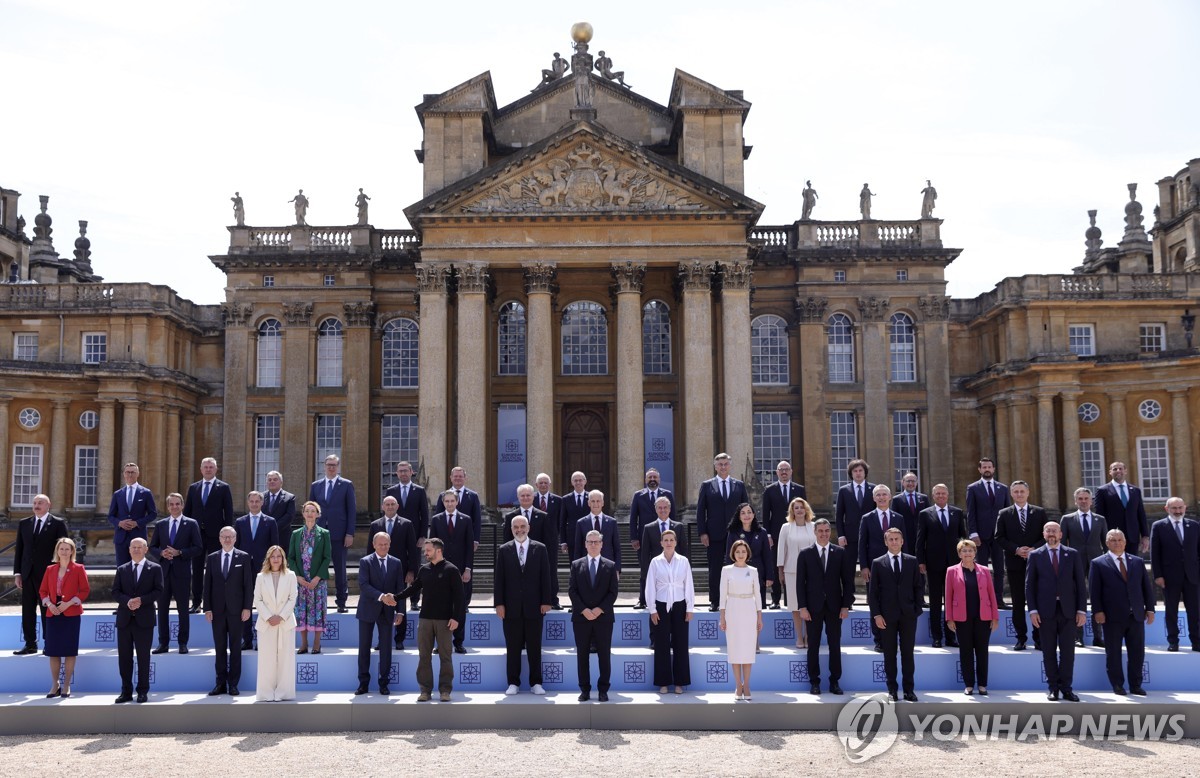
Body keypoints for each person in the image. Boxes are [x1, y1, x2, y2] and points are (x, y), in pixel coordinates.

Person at [397, 538, 464, 702]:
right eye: (424, 551)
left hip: (445, 621)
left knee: (445, 657)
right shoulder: (424, 569)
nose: (425, 553)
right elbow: (414, 588)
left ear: (438, 550)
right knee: (424, 656)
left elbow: (460, 598)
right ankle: (425, 690)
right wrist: (395, 597)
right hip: (425, 619)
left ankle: (445, 690)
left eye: (427, 550)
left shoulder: (452, 570)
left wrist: (456, 618)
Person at [1026, 522, 1086, 702]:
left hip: (1068, 610)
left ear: (1061, 534)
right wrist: (1033, 610)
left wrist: (1082, 610)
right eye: (1048, 531)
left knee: (1068, 652)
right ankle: (1053, 688)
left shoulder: (1072, 554)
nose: (1051, 534)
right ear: (1044, 534)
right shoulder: (1035, 555)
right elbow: (1030, 586)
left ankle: (1067, 688)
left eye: (1055, 531)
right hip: (1045, 611)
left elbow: (1080, 585)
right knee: (1048, 652)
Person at [1090, 529, 1155, 696]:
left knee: (1137, 652)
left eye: (1120, 540)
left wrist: (1150, 609)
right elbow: (1094, 591)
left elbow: (1146, 588)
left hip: (1136, 615)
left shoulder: (1137, 561)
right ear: (1107, 543)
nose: (1117, 543)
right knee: (1113, 653)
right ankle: (1117, 685)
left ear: (1125, 542)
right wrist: (1098, 611)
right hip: (1112, 617)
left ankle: (1136, 685)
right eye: (1113, 540)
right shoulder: (1098, 563)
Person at [494, 514, 553, 695]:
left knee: (535, 647)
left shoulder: (540, 548)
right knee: (513, 647)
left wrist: (546, 601)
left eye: (522, 526)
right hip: (511, 608)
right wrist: (499, 604)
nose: (519, 530)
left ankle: (536, 683)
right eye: (515, 527)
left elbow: (546, 576)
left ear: (528, 528)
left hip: (535, 607)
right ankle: (513, 682)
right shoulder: (504, 550)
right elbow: (499, 580)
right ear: (511, 530)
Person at [795, 519, 853, 695]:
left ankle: (835, 681)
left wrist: (845, 606)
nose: (824, 534)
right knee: (813, 645)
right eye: (820, 531)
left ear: (831, 531)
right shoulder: (805, 554)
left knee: (834, 645)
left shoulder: (840, 553)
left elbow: (848, 582)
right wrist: (802, 607)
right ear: (815, 531)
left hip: (835, 607)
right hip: (813, 608)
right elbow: (800, 584)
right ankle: (815, 682)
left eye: (827, 530)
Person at [868, 527, 921, 702]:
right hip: (886, 617)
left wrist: (916, 610)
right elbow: (873, 593)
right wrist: (876, 615)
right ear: (885, 542)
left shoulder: (912, 561)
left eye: (897, 539)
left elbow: (918, 587)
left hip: (908, 615)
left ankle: (909, 690)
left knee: (908, 653)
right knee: (889, 654)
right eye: (890, 539)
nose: (894, 542)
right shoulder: (877, 563)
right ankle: (892, 689)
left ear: (902, 541)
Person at [12, 493, 68, 655]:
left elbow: (64, 551)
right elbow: (20, 551)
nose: (36, 505)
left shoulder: (58, 524)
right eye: (35, 503)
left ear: (48, 505)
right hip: (27, 574)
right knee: (28, 610)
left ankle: (49, 643)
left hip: (49, 575)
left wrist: (61, 574)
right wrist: (18, 574)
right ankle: (30, 644)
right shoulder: (24, 523)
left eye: (40, 503)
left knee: (48, 610)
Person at [994, 480, 1047, 650]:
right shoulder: (1004, 513)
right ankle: (1021, 638)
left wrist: (1034, 549)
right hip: (1015, 563)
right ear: (1011, 494)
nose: (1019, 494)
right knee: (1018, 602)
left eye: (1022, 491)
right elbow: (999, 537)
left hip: (1036, 564)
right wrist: (1016, 549)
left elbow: (1045, 536)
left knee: (1038, 601)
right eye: (1015, 491)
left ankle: (1039, 638)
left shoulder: (1039, 513)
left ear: (1028, 493)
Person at [149, 493, 202, 654]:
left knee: (183, 610)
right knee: (162, 610)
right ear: (168, 506)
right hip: (163, 574)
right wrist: (161, 553)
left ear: (182, 505)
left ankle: (182, 643)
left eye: (177, 504)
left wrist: (180, 552)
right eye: (171, 504)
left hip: (182, 573)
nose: (174, 507)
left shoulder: (191, 524)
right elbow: (152, 547)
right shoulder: (161, 524)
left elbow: (198, 548)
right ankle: (163, 643)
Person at [915, 484, 968, 648]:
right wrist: (921, 561)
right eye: (937, 493)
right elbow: (920, 539)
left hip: (954, 564)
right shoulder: (925, 514)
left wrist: (965, 559)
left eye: (943, 493)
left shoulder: (957, 513)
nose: (941, 496)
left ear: (948, 494)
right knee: (936, 601)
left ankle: (951, 637)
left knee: (952, 602)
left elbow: (963, 538)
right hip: (933, 563)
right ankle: (937, 637)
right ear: (933, 495)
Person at [202, 526, 253, 696]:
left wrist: (247, 607)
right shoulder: (212, 558)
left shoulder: (244, 557)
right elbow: (207, 585)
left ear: (235, 538)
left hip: (237, 611)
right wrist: (207, 608)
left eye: (230, 537)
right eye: (224, 537)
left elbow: (248, 585)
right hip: (217, 611)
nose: (227, 540)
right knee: (220, 648)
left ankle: (233, 684)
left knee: (235, 648)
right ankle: (220, 683)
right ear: (219, 538)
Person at [569, 529, 619, 701]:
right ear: (585, 544)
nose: (593, 545)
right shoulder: (576, 565)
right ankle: (584, 689)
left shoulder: (610, 565)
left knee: (604, 654)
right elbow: (572, 591)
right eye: (590, 542)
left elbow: (613, 593)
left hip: (603, 618)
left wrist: (599, 609)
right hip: (581, 618)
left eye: (596, 542)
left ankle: (603, 689)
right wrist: (584, 610)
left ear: (601, 544)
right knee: (582, 655)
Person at [112, 538, 163, 704]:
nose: (136, 550)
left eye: (139, 547)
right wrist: (128, 601)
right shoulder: (122, 569)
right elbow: (115, 592)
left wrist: (141, 600)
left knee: (143, 658)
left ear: (146, 549)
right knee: (124, 658)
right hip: (125, 620)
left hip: (144, 620)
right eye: (133, 547)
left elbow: (158, 591)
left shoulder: (155, 568)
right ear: (129, 550)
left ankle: (142, 691)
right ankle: (126, 691)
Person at [945, 539, 999, 695]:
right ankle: (968, 684)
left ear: (975, 553)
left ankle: (982, 684)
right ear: (959, 554)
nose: (967, 553)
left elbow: (991, 594)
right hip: (962, 618)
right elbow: (948, 596)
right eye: (964, 550)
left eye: (970, 550)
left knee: (982, 651)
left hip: (983, 617)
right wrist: (950, 618)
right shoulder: (951, 571)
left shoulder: (984, 570)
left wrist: (994, 617)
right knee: (966, 651)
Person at [696, 453, 749, 611]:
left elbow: (746, 509)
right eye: (720, 464)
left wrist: (746, 530)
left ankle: (737, 600)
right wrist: (702, 533)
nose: (723, 467)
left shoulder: (739, 485)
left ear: (730, 465)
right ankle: (715, 601)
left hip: (736, 535)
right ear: (715, 466)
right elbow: (700, 511)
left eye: (726, 464)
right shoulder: (707, 485)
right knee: (715, 569)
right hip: (714, 535)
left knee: (739, 567)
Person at [39, 537, 89, 698]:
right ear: (57, 551)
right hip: (52, 613)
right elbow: (43, 591)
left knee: (69, 651)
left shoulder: (79, 568)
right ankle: (55, 684)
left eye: (68, 549)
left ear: (72, 551)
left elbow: (84, 591)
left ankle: (66, 684)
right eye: (62, 549)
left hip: (71, 613)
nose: (64, 551)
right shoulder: (49, 569)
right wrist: (49, 604)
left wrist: (68, 603)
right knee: (53, 651)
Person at [355, 533, 404, 696]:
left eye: (386, 544)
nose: (383, 547)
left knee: (386, 649)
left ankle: (384, 683)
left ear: (390, 544)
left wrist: (401, 611)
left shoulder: (396, 563)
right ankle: (363, 683)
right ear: (374, 545)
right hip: (367, 609)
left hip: (388, 612)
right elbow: (363, 585)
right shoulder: (365, 561)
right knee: (364, 648)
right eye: (380, 544)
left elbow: (400, 589)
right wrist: (382, 597)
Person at [1150, 496, 1200, 652]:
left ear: (1184, 508)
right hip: (1169, 576)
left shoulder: (1194, 526)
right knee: (1171, 610)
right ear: (1167, 509)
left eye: (1180, 508)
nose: (1178, 511)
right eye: (1174, 508)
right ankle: (1173, 641)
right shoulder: (1158, 526)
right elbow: (1155, 553)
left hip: (1192, 575)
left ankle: (1197, 642)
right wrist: (1158, 575)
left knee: (1195, 611)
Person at [184, 457, 234, 611]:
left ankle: (214, 602)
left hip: (216, 535)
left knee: (215, 570)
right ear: (201, 469)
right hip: (197, 535)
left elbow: (229, 512)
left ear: (216, 469)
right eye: (205, 467)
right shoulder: (193, 488)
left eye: (211, 467)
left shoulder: (224, 487)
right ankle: (197, 602)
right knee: (197, 569)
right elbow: (187, 512)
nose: (208, 469)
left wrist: (226, 535)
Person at [1060, 486, 1109, 647]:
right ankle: (1077, 636)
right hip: (1075, 563)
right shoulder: (1067, 519)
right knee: (1077, 599)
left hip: (1096, 563)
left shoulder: (1100, 519)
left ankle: (1098, 636)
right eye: (1080, 499)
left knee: (1098, 598)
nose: (1083, 501)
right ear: (1075, 501)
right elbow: (1063, 544)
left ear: (1091, 501)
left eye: (1086, 498)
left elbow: (1106, 544)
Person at [309, 454, 356, 614]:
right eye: (329, 464)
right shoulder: (316, 486)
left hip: (340, 534)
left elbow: (351, 511)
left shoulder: (346, 485)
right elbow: (310, 511)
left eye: (334, 465)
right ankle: (316, 601)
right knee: (316, 568)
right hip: (319, 534)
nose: (331, 467)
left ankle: (341, 601)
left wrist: (350, 533)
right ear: (324, 466)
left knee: (340, 569)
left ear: (338, 466)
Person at [369, 496, 418, 650]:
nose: (390, 507)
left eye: (392, 504)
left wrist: (411, 570)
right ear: (383, 506)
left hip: (400, 572)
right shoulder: (375, 525)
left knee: (400, 605)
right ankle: (382, 639)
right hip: (379, 572)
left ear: (397, 506)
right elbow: (370, 551)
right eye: (387, 504)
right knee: (380, 605)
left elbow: (413, 549)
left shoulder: (406, 524)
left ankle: (399, 639)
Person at [430, 489, 474, 653]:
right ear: (443, 503)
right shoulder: (436, 520)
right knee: (440, 608)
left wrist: (468, 569)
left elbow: (469, 547)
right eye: (446, 501)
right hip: (440, 570)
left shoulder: (466, 520)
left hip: (460, 570)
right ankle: (441, 643)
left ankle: (458, 642)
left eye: (452, 501)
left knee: (459, 607)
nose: (449, 504)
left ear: (457, 502)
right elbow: (431, 547)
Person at [235, 490, 280, 650]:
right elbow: (237, 547)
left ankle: (263, 639)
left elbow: (275, 547)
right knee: (246, 603)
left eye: (257, 501)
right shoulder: (240, 522)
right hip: (244, 569)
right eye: (251, 501)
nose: (254, 504)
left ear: (262, 503)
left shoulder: (270, 521)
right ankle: (246, 640)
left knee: (265, 604)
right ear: (248, 503)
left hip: (264, 569)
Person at [859, 484, 902, 652]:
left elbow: (903, 543)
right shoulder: (867, 518)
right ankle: (878, 640)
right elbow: (862, 544)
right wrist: (864, 566)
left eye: (885, 494)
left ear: (890, 497)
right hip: (874, 567)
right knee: (875, 603)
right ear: (874, 498)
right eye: (879, 495)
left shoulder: (898, 518)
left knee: (895, 601)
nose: (882, 497)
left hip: (896, 565)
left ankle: (894, 638)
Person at [720, 540, 763, 700]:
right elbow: (722, 594)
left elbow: (758, 594)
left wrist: (759, 616)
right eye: (737, 551)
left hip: (749, 610)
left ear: (747, 553)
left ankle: (747, 685)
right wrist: (722, 617)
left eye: (743, 551)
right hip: (732, 608)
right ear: (733, 553)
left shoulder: (753, 571)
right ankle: (738, 685)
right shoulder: (726, 570)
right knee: (735, 648)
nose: (740, 554)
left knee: (747, 649)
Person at [253, 545, 297, 701]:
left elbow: (293, 599)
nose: (276, 559)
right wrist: (268, 616)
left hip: (285, 623)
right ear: (268, 558)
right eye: (273, 556)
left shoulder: (291, 575)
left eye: (279, 556)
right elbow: (257, 599)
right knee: (266, 659)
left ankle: (284, 693)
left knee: (286, 660)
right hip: (266, 624)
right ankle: (266, 693)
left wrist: (281, 617)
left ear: (283, 558)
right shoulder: (260, 577)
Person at [966, 457, 1011, 608]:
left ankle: (998, 600)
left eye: (989, 467)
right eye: (984, 467)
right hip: (981, 536)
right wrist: (973, 533)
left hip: (999, 536)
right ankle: (982, 599)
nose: (987, 469)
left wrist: (1006, 533)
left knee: (999, 569)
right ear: (979, 470)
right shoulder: (973, 488)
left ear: (993, 469)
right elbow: (971, 512)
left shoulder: (1003, 488)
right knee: (981, 569)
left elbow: (1007, 512)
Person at [386, 460, 431, 611]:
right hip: (395, 536)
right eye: (401, 471)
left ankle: (414, 600)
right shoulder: (391, 491)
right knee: (395, 567)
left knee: (415, 567)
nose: (403, 473)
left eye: (406, 470)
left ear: (412, 472)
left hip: (415, 536)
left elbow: (424, 515)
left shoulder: (419, 491)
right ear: (397, 473)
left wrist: (423, 536)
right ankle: (395, 598)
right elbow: (386, 513)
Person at [761, 460, 806, 609]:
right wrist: (767, 535)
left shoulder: (799, 489)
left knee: (793, 565)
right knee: (776, 565)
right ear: (777, 472)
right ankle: (775, 599)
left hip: (795, 532)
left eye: (786, 469)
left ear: (791, 471)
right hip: (775, 534)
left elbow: (804, 511)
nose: (784, 472)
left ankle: (790, 599)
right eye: (781, 470)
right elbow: (766, 514)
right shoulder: (769, 490)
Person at [288, 501, 331, 654]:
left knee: (318, 611)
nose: (310, 513)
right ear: (303, 514)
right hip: (301, 581)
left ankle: (317, 644)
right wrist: (298, 577)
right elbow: (291, 558)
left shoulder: (324, 534)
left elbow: (327, 558)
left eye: (313, 511)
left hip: (317, 582)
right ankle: (304, 644)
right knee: (302, 611)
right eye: (307, 511)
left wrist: (317, 578)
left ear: (318, 514)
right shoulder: (296, 534)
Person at [629, 468, 674, 609]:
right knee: (645, 570)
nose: (652, 479)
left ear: (659, 479)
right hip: (644, 539)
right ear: (645, 480)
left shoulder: (667, 494)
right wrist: (633, 538)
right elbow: (633, 518)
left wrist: (674, 537)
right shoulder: (638, 496)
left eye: (655, 477)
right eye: (650, 477)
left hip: (665, 539)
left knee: (666, 570)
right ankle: (642, 599)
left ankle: (667, 598)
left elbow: (674, 517)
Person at [777, 497, 816, 647]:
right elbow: (782, 550)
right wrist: (780, 571)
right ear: (792, 511)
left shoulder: (813, 526)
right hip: (791, 570)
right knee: (795, 605)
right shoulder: (786, 527)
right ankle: (799, 637)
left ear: (806, 509)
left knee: (810, 604)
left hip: (812, 571)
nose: (799, 510)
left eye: (801, 507)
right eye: (796, 508)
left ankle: (808, 636)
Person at [1093, 461, 1151, 555]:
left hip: (1132, 536)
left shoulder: (1135, 491)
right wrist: (1101, 536)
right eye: (1115, 469)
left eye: (1121, 468)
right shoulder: (1102, 491)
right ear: (1110, 472)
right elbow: (1100, 515)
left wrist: (1145, 536)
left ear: (1125, 471)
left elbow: (1141, 514)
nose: (1118, 471)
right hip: (1113, 537)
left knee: (1132, 565)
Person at [108, 462, 158, 567]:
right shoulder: (118, 494)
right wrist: (119, 523)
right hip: (121, 538)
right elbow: (111, 516)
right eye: (128, 472)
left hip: (138, 536)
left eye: (133, 472)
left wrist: (137, 523)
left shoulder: (145, 493)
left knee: (139, 567)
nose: (130, 475)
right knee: (122, 568)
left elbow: (153, 514)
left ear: (138, 474)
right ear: (124, 474)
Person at [725, 503, 773, 610]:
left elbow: (767, 556)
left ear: (754, 514)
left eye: (749, 512)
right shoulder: (733, 533)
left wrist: (769, 576)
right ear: (739, 516)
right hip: (739, 573)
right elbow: (729, 555)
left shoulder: (762, 532)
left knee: (759, 607)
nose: (746, 515)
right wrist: (729, 575)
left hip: (758, 573)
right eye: (743, 513)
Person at [533, 472, 565, 609]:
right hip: (533, 540)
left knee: (552, 570)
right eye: (541, 483)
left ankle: (553, 599)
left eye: (546, 483)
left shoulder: (558, 500)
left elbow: (561, 521)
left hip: (551, 541)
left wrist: (558, 536)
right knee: (534, 570)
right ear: (536, 485)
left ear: (550, 485)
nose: (543, 485)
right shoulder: (531, 498)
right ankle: (536, 598)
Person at [834, 458, 874, 563]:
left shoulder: (874, 489)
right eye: (855, 471)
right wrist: (841, 535)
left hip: (870, 535)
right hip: (849, 537)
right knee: (849, 569)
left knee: (870, 567)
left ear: (865, 472)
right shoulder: (844, 490)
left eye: (860, 470)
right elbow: (839, 515)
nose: (858, 473)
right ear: (851, 473)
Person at [573, 490, 622, 573]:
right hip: (586, 568)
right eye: (592, 501)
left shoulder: (612, 522)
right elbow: (577, 549)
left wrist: (617, 569)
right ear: (588, 503)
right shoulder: (581, 523)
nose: (595, 504)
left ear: (602, 503)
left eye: (598, 501)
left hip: (608, 567)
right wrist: (577, 570)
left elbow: (617, 548)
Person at [435, 466, 483, 551]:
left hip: (466, 537)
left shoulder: (473, 496)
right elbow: (438, 518)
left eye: (460, 476)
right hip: (446, 538)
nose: (458, 478)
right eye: (455, 476)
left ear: (465, 478)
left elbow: (477, 519)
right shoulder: (443, 495)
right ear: (451, 478)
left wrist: (475, 540)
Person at [559, 471, 591, 561]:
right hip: (572, 539)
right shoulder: (566, 499)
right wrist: (563, 541)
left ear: (585, 481)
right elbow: (562, 522)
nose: (578, 483)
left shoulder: (591, 497)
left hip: (589, 538)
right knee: (574, 565)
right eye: (575, 480)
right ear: (572, 482)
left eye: (580, 480)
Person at [263, 470, 297, 542]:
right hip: (264, 537)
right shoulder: (260, 497)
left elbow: (289, 516)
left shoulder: (290, 497)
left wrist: (272, 528)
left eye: (275, 479)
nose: (272, 481)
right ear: (266, 483)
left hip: (282, 537)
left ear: (281, 482)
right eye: (269, 480)